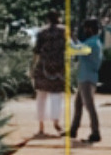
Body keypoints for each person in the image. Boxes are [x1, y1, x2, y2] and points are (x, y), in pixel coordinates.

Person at [30, 9, 67, 139]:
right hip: (59, 67)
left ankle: (41, 126)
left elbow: (36, 52)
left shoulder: (41, 32)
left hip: (43, 66)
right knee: (56, 96)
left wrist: (32, 68)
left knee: (41, 97)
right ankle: (56, 123)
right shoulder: (64, 31)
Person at [68, 17, 103, 145]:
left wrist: (68, 40)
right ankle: (73, 130)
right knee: (78, 104)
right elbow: (80, 47)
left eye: (85, 28)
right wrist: (73, 39)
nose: (84, 30)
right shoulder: (94, 41)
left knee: (89, 106)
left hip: (87, 78)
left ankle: (95, 132)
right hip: (85, 77)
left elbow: (75, 50)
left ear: (90, 29)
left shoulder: (92, 43)